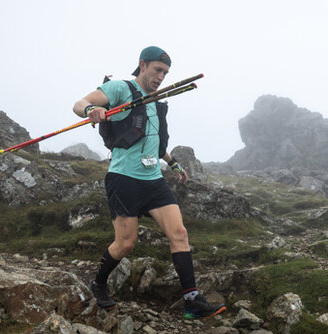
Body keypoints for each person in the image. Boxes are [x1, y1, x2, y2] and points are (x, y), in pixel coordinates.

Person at [72, 45, 225, 319]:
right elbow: (79, 103)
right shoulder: (121, 88)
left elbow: (151, 138)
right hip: (124, 178)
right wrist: (92, 109)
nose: (161, 77)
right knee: (126, 243)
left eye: (165, 73)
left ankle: (191, 300)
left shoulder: (155, 98)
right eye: (157, 70)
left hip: (153, 179)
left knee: (179, 234)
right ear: (142, 65)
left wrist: (172, 161)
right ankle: (98, 283)